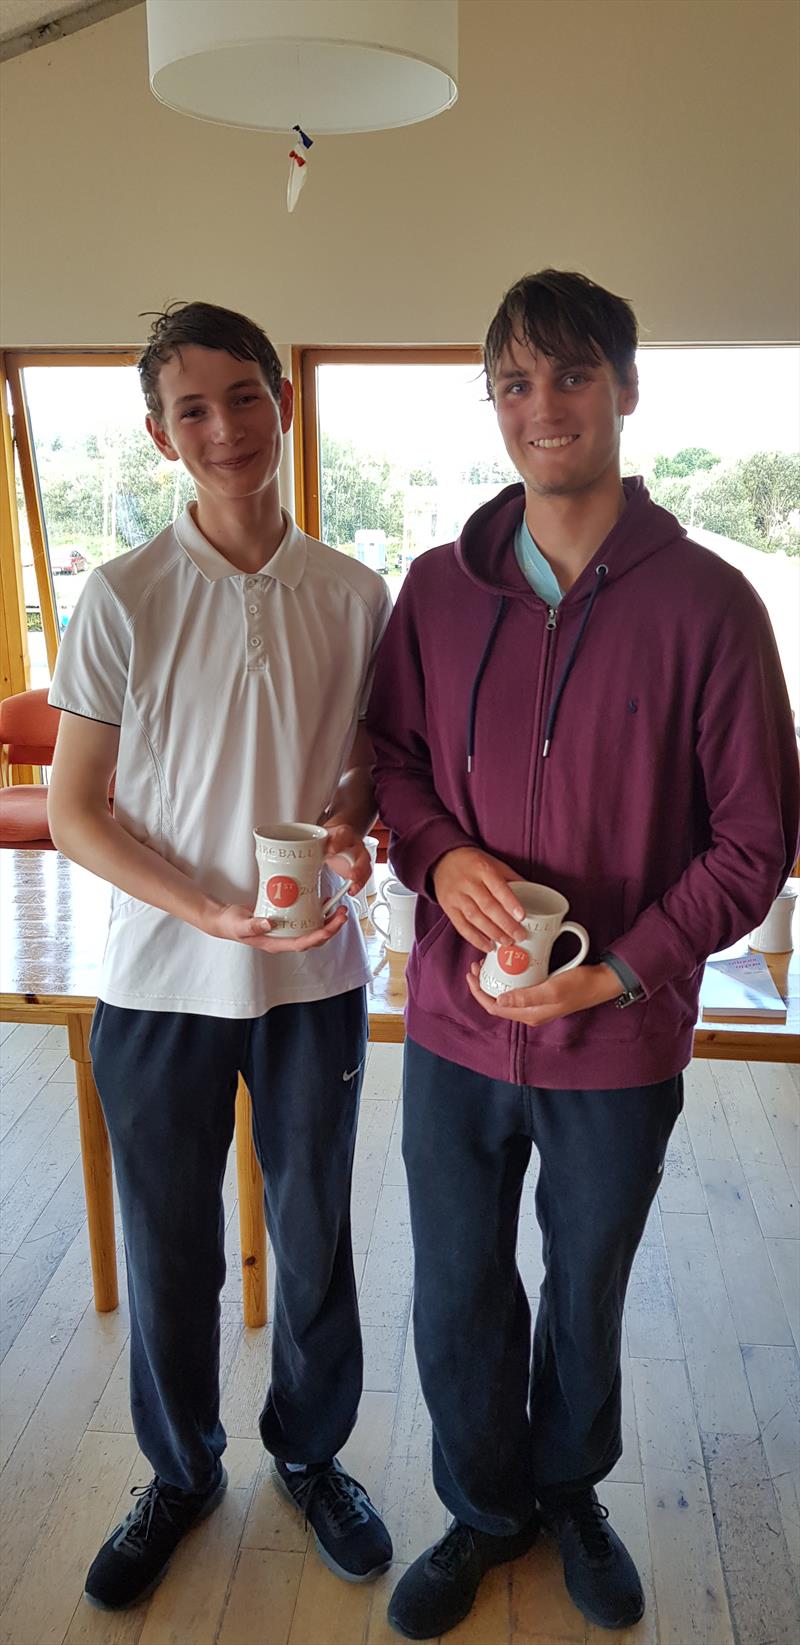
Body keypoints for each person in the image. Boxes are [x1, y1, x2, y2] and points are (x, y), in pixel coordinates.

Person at [367, 269, 799, 1638]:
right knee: (454, 1288)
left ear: (623, 386)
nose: (540, 406)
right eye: (513, 381)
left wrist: (619, 971)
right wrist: (440, 854)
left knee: (589, 1283)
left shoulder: (711, 604)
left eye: (568, 375)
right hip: (452, 1025)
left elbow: (756, 839)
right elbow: (392, 762)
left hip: (616, 1039)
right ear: (491, 403)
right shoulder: (436, 591)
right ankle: (484, 1510)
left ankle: (571, 1493)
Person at [47, 302, 394, 1610]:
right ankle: (183, 1471)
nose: (224, 426)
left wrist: (356, 829)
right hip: (155, 986)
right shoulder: (124, 593)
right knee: (171, 1247)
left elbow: (368, 769)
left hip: (313, 977)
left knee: (313, 1239)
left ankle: (311, 1452)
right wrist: (202, 910)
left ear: (283, 405)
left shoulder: (355, 593)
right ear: (159, 434)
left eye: (245, 396)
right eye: (193, 408)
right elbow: (79, 808)